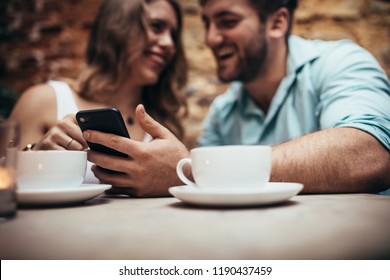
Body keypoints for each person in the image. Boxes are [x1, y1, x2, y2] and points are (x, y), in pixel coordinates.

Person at [81, 0, 390, 197]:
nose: (211, 39)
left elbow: (371, 154)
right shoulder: (222, 112)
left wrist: (191, 168)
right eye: (207, 23)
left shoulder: (339, 62)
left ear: (277, 22)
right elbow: (209, 194)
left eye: (227, 21)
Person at [9, 0, 188, 184]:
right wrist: (35, 155)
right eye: (156, 27)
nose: (169, 44)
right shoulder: (43, 100)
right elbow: (5, 184)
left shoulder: (162, 121)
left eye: (173, 35)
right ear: (118, 27)